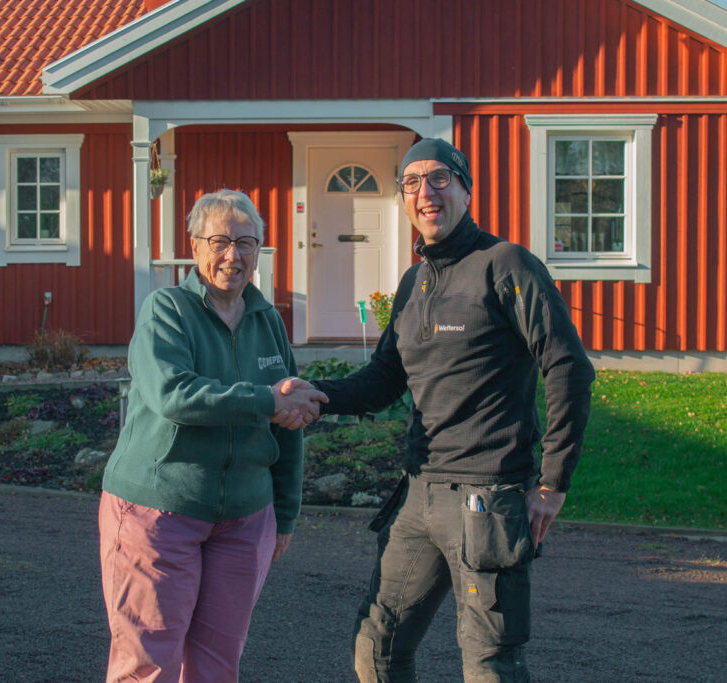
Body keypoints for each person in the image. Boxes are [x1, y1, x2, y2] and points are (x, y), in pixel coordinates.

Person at [300, 138, 595, 681]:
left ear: (464, 188)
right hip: (418, 494)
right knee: (377, 647)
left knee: (489, 665)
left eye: (439, 178)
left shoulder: (505, 265)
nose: (425, 192)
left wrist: (552, 483)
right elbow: (384, 380)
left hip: (488, 498)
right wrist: (313, 395)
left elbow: (568, 367)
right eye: (411, 183)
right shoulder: (414, 283)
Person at [98, 188, 327, 682]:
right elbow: (175, 396)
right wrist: (267, 399)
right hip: (161, 512)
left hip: (245, 520)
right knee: (147, 663)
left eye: (247, 242)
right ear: (195, 245)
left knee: (218, 664)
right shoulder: (167, 310)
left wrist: (285, 513)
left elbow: (288, 429)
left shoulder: (268, 321)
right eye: (219, 241)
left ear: (260, 250)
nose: (233, 255)